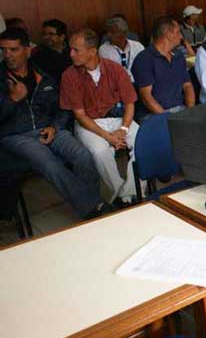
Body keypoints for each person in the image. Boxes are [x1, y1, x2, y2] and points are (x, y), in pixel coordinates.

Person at [0, 28, 110, 219]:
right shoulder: (1, 79)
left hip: (48, 129)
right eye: (4, 50)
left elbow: (63, 108)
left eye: (14, 49)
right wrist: (13, 99)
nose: (7, 55)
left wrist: (54, 127)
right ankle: (95, 207)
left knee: (82, 155)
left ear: (27, 50)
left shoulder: (43, 73)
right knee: (50, 163)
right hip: (16, 135)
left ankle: (90, 207)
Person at [60, 29, 139, 206]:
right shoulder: (69, 76)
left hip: (119, 119)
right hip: (90, 123)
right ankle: (121, 193)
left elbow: (129, 103)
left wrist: (123, 129)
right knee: (100, 151)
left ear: (92, 51)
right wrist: (108, 137)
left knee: (144, 141)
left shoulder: (115, 69)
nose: (71, 54)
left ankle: (130, 192)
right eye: (70, 49)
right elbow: (80, 115)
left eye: (76, 50)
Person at [131, 16, 195, 119]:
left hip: (179, 109)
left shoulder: (178, 55)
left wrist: (191, 111)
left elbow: (187, 85)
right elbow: (146, 97)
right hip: (153, 114)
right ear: (168, 35)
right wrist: (167, 119)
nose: (181, 36)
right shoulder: (144, 59)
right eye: (178, 32)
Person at [98, 16, 145, 83]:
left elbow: (145, 67)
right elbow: (108, 73)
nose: (108, 35)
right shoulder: (104, 49)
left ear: (124, 33)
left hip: (139, 83)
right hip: (118, 85)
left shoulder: (138, 46)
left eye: (112, 32)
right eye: (107, 32)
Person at [31, 19, 73, 84]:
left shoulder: (73, 50)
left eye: (51, 34)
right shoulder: (38, 54)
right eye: (44, 34)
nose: (46, 37)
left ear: (62, 37)